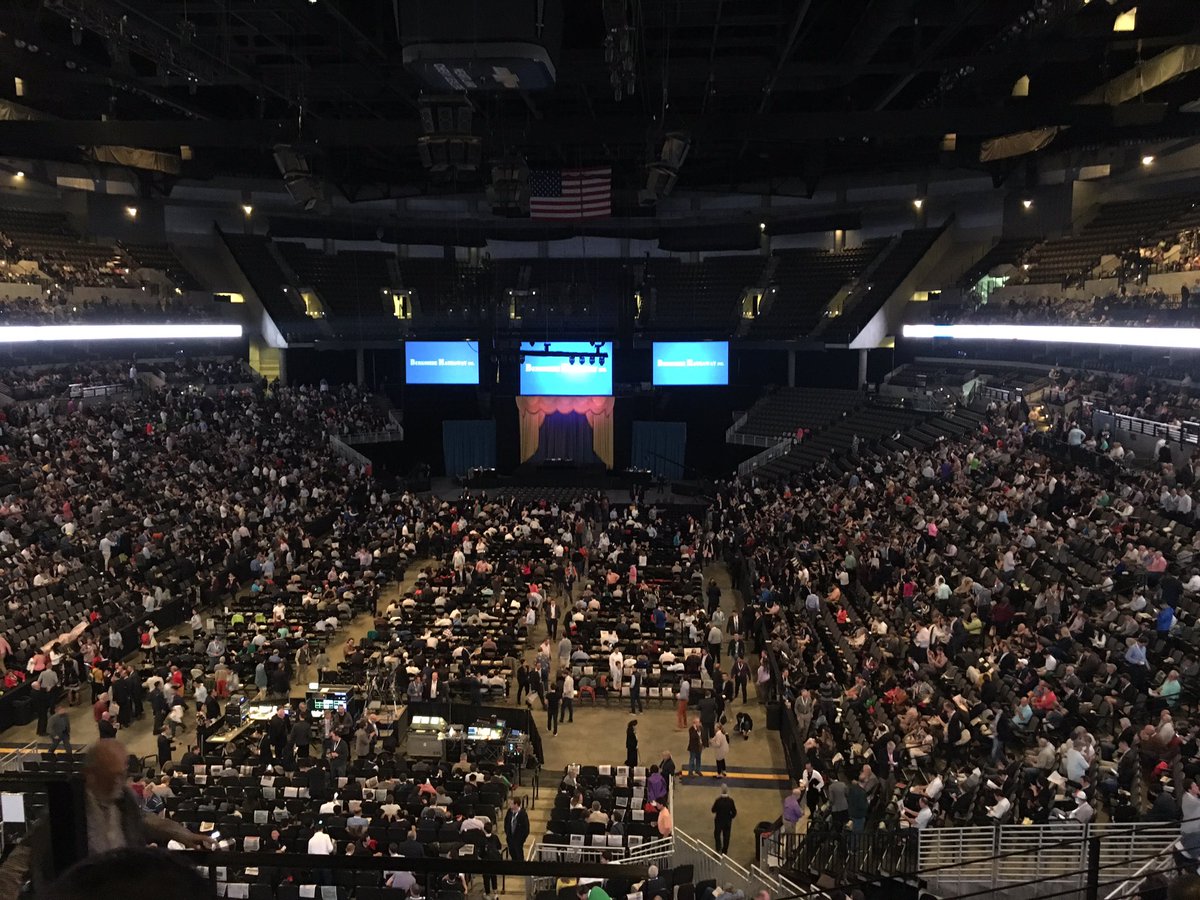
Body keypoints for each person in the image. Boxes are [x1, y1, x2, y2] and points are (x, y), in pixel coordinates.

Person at [711, 784, 737, 855]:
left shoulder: (718, 801)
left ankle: (718, 847)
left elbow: (713, 810)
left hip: (719, 820)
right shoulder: (730, 801)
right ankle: (725, 851)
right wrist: (730, 817)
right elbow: (734, 812)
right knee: (726, 836)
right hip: (727, 822)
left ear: (721, 791)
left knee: (717, 834)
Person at [504, 797, 530, 862]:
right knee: (512, 854)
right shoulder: (509, 812)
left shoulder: (523, 814)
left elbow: (526, 829)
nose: (510, 805)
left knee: (519, 855)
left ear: (516, 804)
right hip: (510, 838)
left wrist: (522, 839)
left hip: (519, 840)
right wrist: (507, 834)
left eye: (511, 803)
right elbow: (506, 823)